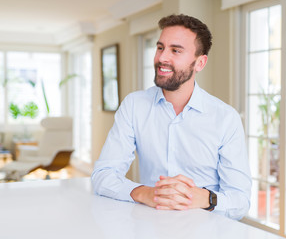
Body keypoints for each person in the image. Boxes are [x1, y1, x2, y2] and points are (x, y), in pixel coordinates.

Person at [91, 14, 251, 220]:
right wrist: (145, 193)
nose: (162, 58)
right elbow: (103, 175)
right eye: (160, 48)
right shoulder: (134, 105)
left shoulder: (225, 118)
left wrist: (204, 198)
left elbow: (240, 201)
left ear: (200, 63)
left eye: (175, 50)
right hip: (150, 225)